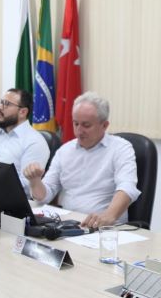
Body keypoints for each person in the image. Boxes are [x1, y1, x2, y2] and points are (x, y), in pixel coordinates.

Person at [23, 92, 140, 228]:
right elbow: (45, 196)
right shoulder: (64, 151)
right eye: (76, 123)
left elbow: (127, 187)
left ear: (104, 125)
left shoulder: (121, 148)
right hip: (67, 224)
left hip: (102, 227)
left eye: (86, 125)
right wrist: (35, 181)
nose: (79, 130)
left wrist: (109, 216)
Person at [0, 88, 50, 194]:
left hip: (12, 201)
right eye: (0, 102)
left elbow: (27, 186)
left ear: (23, 112)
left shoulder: (35, 142)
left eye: (6, 104)